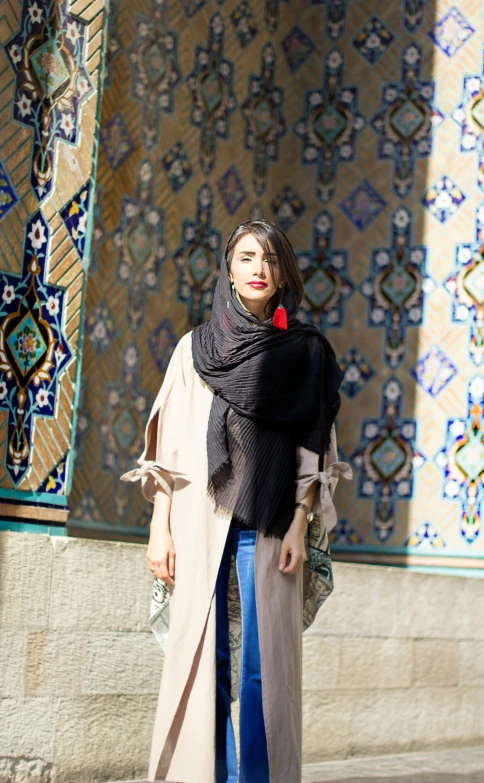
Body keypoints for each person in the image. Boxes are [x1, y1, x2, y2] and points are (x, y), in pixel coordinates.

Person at [120, 219, 352, 783]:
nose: (258, 269)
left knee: (262, 668)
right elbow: (170, 445)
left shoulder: (306, 353)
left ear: (283, 275)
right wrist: (160, 528)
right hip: (201, 522)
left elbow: (314, 447)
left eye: (270, 260)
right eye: (247, 257)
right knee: (208, 663)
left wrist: (300, 522)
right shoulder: (194, 349)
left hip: (270, 526)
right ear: (228, 268)